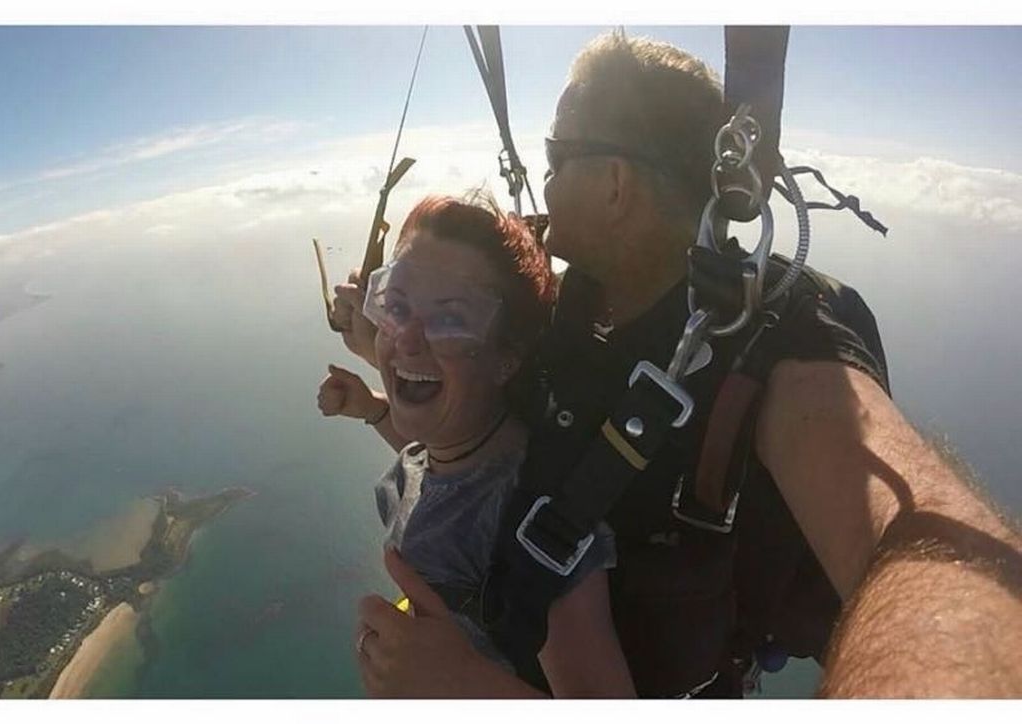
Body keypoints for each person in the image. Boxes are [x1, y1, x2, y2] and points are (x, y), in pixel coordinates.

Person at [332, 32, 1022, 698]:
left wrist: (463, 689)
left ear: (614, 183)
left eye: (555, 157)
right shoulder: (579, 302)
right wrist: (384, 342)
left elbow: (929, 549)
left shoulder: (780, 354)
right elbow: (478, 387)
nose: (543, 182)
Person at [318, 193, 635, 697]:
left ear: (507, 357)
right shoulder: (453, 446)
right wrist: (374, 409)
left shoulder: (537, 532)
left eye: (449, 319)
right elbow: (449, 474)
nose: (405, 340)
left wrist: (463, 682)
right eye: (395, 306)